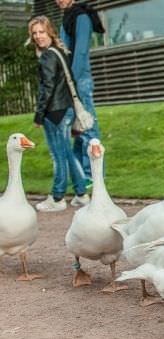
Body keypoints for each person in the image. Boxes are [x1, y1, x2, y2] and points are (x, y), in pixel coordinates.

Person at [29, 15, 89, 212]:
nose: (38, 36)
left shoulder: (47, 56)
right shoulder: (60, 52)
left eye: (41, 32)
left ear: (50, 32)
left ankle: (57, 198)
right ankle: (81, 194)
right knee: (67, 154)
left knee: (58, 156)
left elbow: (47, 88)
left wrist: (39, 115)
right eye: (34, 33)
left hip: (55, 112)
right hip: (67, 109)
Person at [56, 0, 105, 183]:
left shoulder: (81, 17)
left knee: (88, 126)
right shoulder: (67, 17)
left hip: (79, 80)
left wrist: (73, 81)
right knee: (77, 130)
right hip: (69, 79)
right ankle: (79, 175)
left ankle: (93, 175)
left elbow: (81, 52)